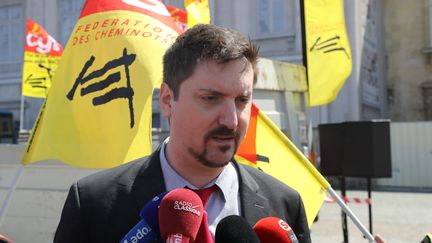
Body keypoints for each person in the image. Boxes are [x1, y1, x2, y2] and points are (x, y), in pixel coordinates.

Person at [54, 24, 311, 243]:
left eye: (242, 100)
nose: (231, 120)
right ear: (167, 100)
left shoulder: (285, 204)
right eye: (211, 98)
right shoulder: (93, 203)